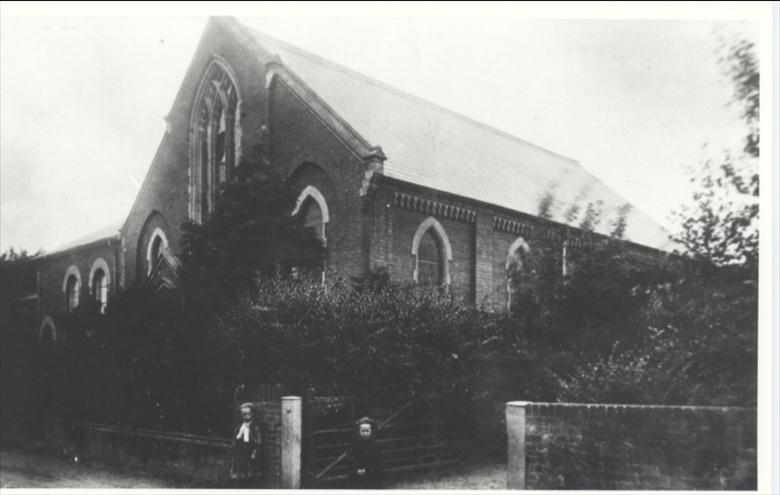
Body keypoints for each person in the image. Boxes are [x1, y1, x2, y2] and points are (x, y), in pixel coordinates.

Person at [344, 416, 384, 489]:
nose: (365, 433)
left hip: (371, 472)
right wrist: (357, 468)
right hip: (357, 472)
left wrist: (368, 469)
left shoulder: (375, 445)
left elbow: (377, 459)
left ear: (371, 432)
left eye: (367, 431)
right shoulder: (354, 444)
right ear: (359, 432)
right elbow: (350, 457)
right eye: (363, 431)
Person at [230, 402, 263, 487]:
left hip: (250, 449)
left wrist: (255, 451)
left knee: (251, 469)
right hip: (241, 450)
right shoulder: (239, 427)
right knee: (241, 470)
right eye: (244, 414)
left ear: (252, 414)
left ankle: (250, 484)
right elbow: (235, 439)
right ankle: (242, 484)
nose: (246, 416)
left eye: (248, 414)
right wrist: (239, 436)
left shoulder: (255, 428)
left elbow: (258, 441)